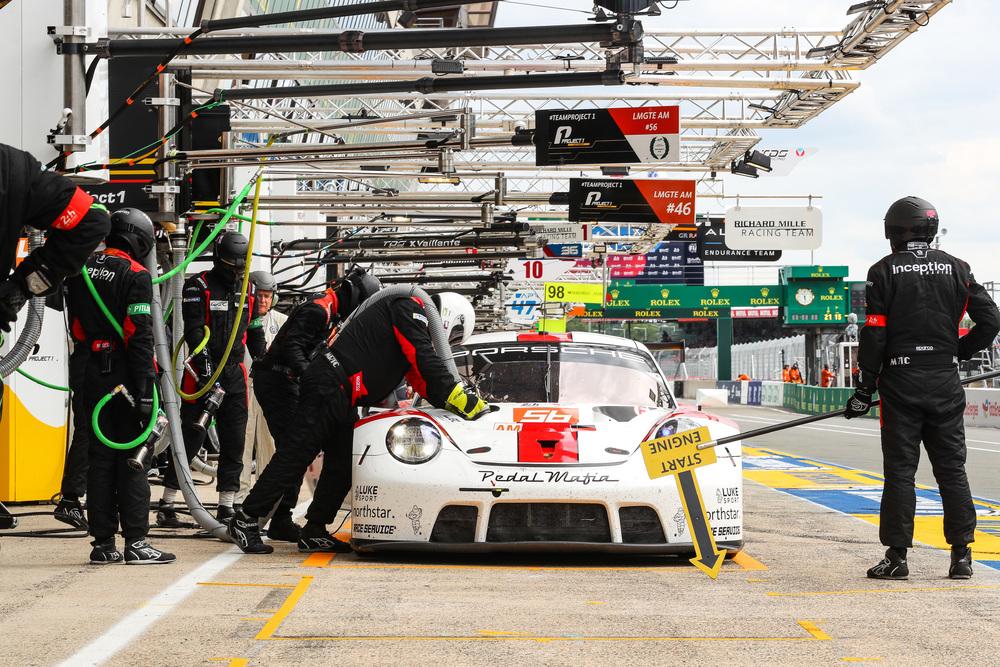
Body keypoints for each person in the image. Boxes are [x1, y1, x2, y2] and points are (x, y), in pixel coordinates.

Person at [229, 291, 489, 554]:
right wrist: (460, 397)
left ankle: (314, 529)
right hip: (329, 385)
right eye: (453, 336)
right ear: (448, 318)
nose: (447, 343)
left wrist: (455, 402)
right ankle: (246, 518)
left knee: (344, 459)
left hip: (341, 393)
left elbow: (421, 378)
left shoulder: (411, 320)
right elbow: (423, 357)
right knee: (296, 453)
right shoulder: (408, 307)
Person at [845, 196, 1000, 580]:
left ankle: (897, 558)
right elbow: (992, 320)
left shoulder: (883, 271)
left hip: (900, 383)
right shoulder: (957, 267)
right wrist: (957, 351)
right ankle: (962, 556)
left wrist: (865, 387)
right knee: (952, 470)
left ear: (893, 231)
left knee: (900, 472)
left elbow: (875, 335)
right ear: (931, 228)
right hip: (945, 380)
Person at [65, 208, 174, 564]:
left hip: (92, 372)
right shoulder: (136, 275)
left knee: (99, 461)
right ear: (138, 238)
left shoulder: (81, 270)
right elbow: (139, 335)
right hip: (127, 376)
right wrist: (145, 390)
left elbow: (77, 329)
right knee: (133, 459)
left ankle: (102, 545)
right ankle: (137, 543)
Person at [244, 267, 379, 542]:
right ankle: (252, 519)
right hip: (276, 380)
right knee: (296, 449)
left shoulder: (333, 311)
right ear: (354, 296)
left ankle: (282, 518)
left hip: (289, 380)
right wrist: (312, 378)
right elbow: (293, 347)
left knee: (301, 450)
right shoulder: (317, 310)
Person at [157, 231, 266, 526]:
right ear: (219, 259)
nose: (235, 270)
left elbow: (255, 332)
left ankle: (226, 505)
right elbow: (193, 331)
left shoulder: (250, 290)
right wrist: (205, 366)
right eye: (231, 264)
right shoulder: (198, 286)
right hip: (201, 372)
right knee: (191, 437)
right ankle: (167, 503)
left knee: (234, 440)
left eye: (240, 265)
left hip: (234, 373)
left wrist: (264, 360)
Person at [235, 271, 288, 531]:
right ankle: (239, 497)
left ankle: (267, 500)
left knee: (269, 444)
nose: (264, 301)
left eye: (268, 296)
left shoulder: (282, 321)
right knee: (241, 441)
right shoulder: (239, 319)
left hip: (270, 389)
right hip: (243, 387)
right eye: (260, 296)